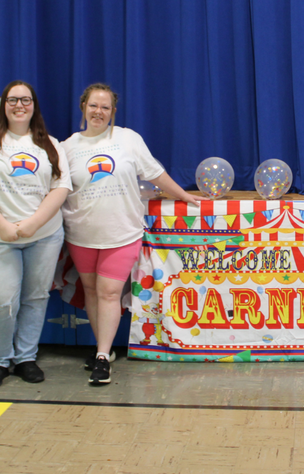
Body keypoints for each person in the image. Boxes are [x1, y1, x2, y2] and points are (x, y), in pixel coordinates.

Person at [62, 84, 203, 384]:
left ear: (113, 112)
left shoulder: (128, 139)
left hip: (123, 233)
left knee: (110, 293)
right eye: (93, 106)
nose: (98, 112)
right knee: (91, 292)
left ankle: (101, 357)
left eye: (105, 107)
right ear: (83, 107)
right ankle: (107, 349)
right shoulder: (67, 147)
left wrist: (183, 195)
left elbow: (155, 173)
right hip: (81, 234)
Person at [0, 81, 71, 388]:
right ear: (2, 105)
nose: (19, 105)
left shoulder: (50, 144)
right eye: (12, 100)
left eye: (26, 100)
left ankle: (25, 357)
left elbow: (60, 188)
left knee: (34, 297)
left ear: (34, 105)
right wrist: (2, 225)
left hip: (43, 236)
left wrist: (34, 224)